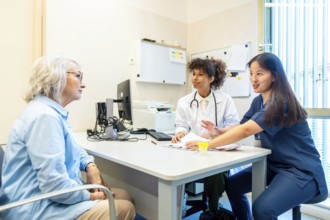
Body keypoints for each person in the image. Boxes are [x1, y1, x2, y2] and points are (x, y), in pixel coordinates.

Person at [186, 52, 328, 220]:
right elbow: (241, 125)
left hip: (301, 171)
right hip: (274, 166)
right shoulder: (258, 101)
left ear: (274, 76)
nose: (253, 78)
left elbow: (246, 131)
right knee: (233, 186)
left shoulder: (280, 102)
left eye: (259, 73)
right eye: (251, 73)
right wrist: (219, 131)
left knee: (262, 209)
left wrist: (207, 144)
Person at [0, 55, 136, 220]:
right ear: (55, 77)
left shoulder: (50, 112)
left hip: (45, 197)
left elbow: (75, 149)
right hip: (35, 208)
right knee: (124, 207)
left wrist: (90, 166)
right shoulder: (44, 117)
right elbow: (54, 185)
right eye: (78, 76)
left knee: (123, 194)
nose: (83, 84)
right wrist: (91, 197)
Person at [172, 58, 240, 219]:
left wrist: (216, 132)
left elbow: (235, 127)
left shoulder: (225, 100)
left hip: (216, 150)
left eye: (200, 74)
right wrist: (180, 132)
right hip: (192, 150)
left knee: (217, 173)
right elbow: (180, 124)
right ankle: (176, 207)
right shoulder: (184, 101)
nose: (194, 78)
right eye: (193, 74)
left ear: (211, 78)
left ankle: (213, 209)